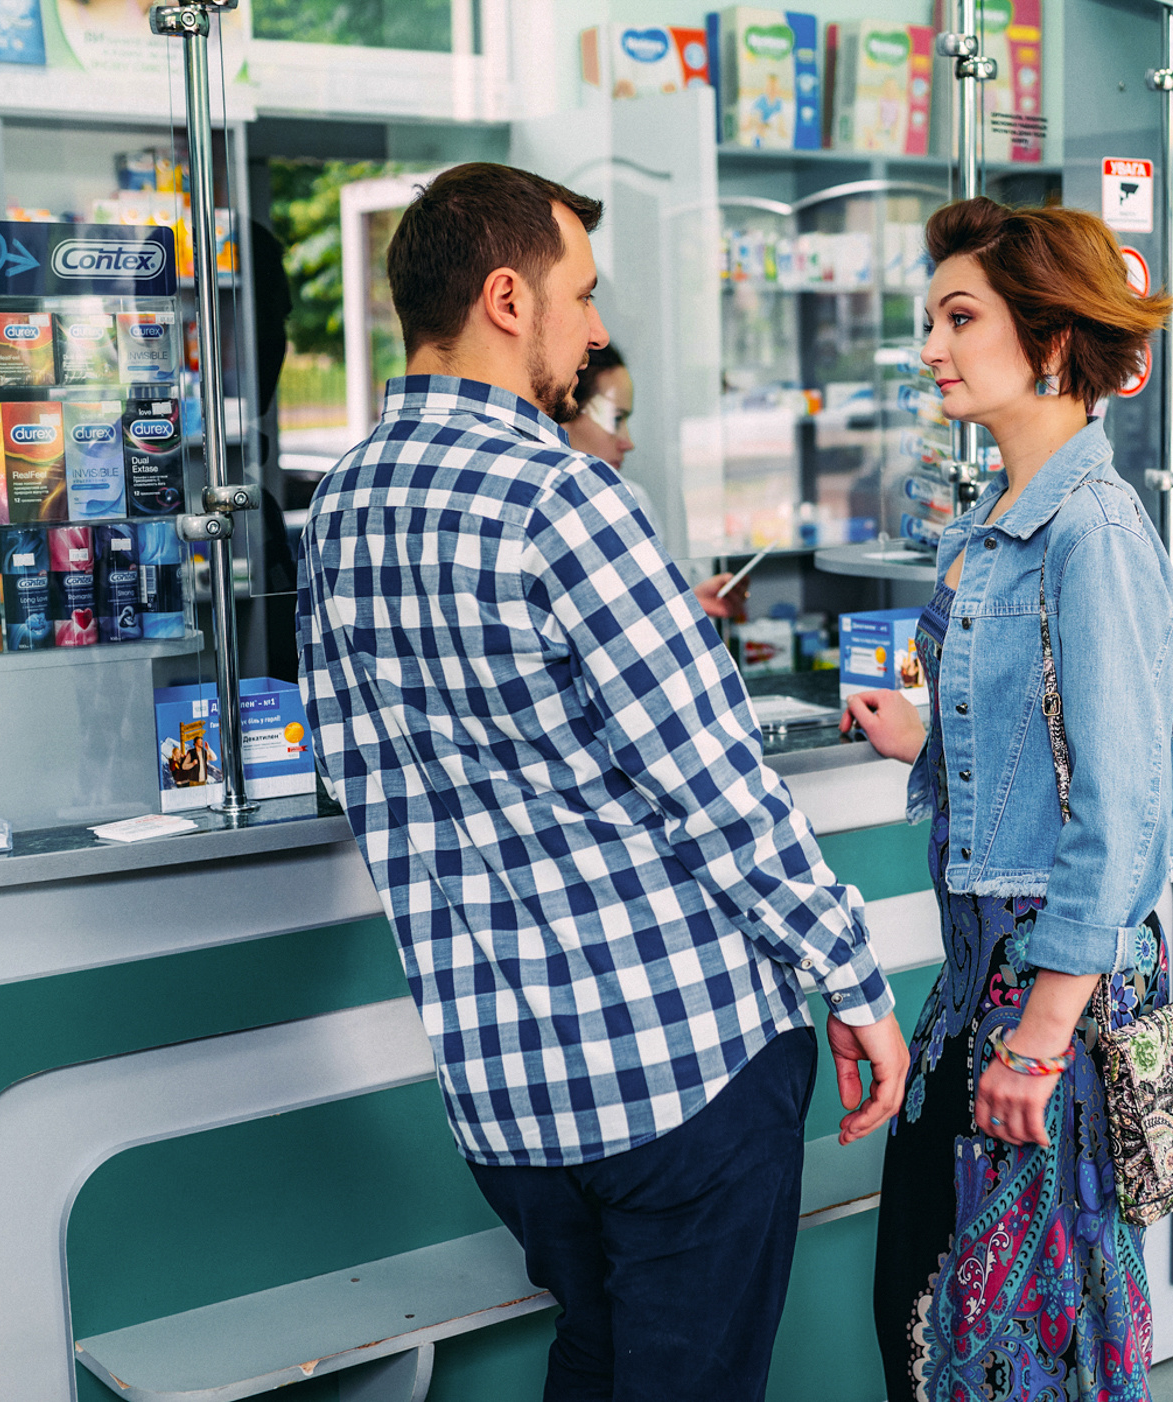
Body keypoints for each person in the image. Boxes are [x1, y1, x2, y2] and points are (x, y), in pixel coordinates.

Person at [294, 162, 909, 1402]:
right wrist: (852, 978)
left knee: (598, 1352)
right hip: (679, 1067)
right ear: (508, 298)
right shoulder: (564, 495)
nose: (598, 327)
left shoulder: (340, 507)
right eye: (581, 294)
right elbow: (719, 786)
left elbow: (360, 777)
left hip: (505, 1098)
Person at [841, 197, 1173, 1401]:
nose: (932, 348)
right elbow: (1041, 755)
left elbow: (1122, 816)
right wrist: (924, 743)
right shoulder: (999, 528)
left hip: (1045, 987)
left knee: (1022, 1325)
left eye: (961, 317)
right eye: (932, 319)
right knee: (940, 1308)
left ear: (1052, 341)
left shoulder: (1090, 530)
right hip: (985, 981)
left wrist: (1046, 1032)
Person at [562, 344, 749, 621]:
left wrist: (690, 600)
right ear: (564, 412)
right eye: (615, 419)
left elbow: (639, 610)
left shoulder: (632, 499)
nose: (628, 442)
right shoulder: (542, 509)